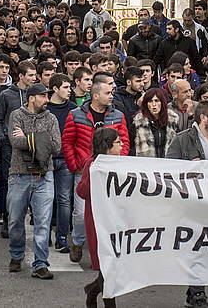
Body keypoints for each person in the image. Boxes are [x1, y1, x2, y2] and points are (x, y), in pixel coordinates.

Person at [166, 100, 208, 308]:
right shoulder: (183, 140)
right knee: (197, 248)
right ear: (203, 117)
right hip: (192, 206)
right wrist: (188, 168)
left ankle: (192, 291)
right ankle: (198, 295)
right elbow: (168, 169)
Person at [62, 72, 130, 263]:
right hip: (85, 170)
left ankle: (101, 251)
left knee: (107, 214)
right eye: (107, 92)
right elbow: (67, 141)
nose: (111, 96)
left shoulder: (118, 115)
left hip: (111, 173)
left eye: (112, 93)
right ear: (96, 95)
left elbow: (124, 141)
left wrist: (118, 162)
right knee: (80, 213)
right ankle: (77, 241)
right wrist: (76, 164)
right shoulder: (76, 115)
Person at [7, 83, 61, 279]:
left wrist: (29, 138)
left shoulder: (51, 118)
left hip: (44, 176)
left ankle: (40, 264)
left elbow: (56, 147)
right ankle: (16, 254)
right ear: (32, 98)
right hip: (19, 175)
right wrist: (40, 140)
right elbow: (15, 142)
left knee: (43, 223)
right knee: (14, 221)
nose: (47, 100)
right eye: (43, 96)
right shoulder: (17, 115)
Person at [78, 127, 122, 308]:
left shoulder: (122, 164)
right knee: (107, 264)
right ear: (107, 146)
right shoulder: (92, 163)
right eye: (118, 142)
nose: (122, 145)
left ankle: (93, 289)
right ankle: (109, 303)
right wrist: (94, 176)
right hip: (99, 221)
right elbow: (81, 190)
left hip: (117, 220)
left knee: (114, 264)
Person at [0, 60, 37, 237]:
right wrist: (3, 139)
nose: (34, 78)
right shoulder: (6, 95)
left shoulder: (36, 94)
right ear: (21, 76)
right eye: (31, 75)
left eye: (35, 75)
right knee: (7, 182)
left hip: (32, 144)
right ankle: (7, 219)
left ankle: (30, 218)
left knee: (33, 183)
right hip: (10, 146)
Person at [46, 74, 78, 253]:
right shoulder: (45, 108)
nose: (69, 91)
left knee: (64, 199)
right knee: (47, 199)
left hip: (65, 159)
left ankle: (62, 237)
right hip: (47, 159)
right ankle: (45, 234)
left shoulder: (73, 109)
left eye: (70, 87)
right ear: (55, 89)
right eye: (65, 87)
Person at [132, 87, 179, 158]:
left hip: (169, 164)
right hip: (146, 164)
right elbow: (131, 146)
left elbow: (179, 143)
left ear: (162, 102)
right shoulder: (138, 122)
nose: (154, 104)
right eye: (150, 101)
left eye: (157, 101)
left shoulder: (173, 120)